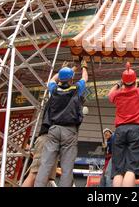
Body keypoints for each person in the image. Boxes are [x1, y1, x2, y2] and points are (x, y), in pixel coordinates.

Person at [34, 59, 88, 187]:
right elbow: (85, 77)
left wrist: (64, 71)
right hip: (69, 131)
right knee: (67, 167)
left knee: (45, 164)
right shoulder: (76, 89)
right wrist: (83, 66)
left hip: (53, 130)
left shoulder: (54, 89)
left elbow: (52, 79)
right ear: (71, 79)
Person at [108, 62, 139, 187]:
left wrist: (118, 84)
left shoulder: (117, 93)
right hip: (135, 130)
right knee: (131, 168)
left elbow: (110, 95)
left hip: (119, 130)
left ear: (123, 81)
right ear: (135, 80)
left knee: (117, 170)